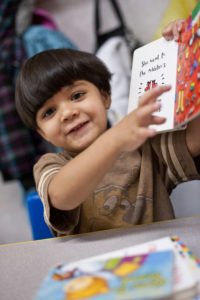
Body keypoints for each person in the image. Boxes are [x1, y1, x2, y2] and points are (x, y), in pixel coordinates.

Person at [15, 19, 200, 236]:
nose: (67, 113)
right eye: (49, 112)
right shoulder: (52, 165)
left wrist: (189, 54)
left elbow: (195, 140)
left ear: (104, 98)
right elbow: (61, 196)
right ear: (42, 132)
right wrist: (116, 138)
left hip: (157, 263)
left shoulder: (146, 147)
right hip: (92, 269)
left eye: (77, 96)